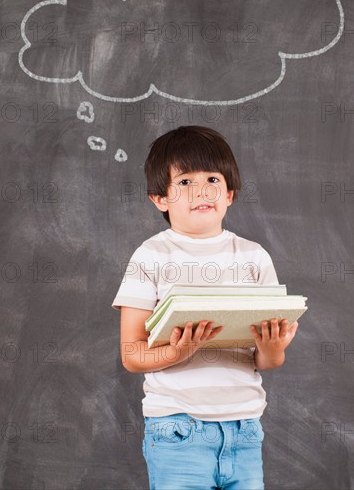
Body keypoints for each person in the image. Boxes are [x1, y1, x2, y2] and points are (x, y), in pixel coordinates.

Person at [111, 125, 299, 489]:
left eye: (212, 178)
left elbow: (267, 361)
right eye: (184, 182)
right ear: (159, 199)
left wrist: (272, 348)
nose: (201, 190)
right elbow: (132, 355)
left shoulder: (253, 257)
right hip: (178, 428)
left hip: (244, 428)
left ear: (229, 194)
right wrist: (177, 352)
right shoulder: (150, 256)